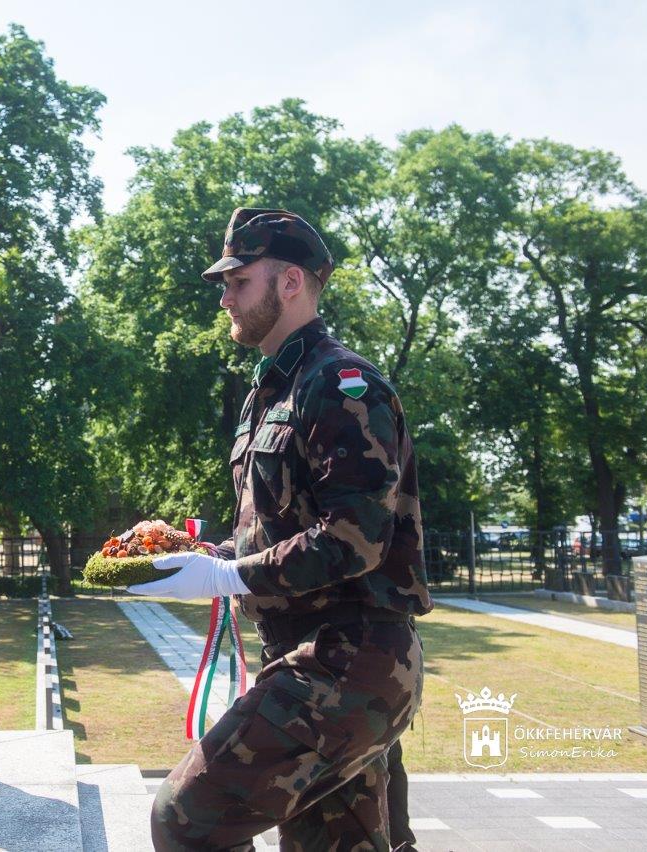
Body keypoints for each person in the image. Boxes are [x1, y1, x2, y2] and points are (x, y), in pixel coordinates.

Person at [132, 208, 433, 851]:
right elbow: (277, 530)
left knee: (186, 819)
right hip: (308, 660)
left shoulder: (343, 384)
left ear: (290, 282)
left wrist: (230, 575)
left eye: (238, 280)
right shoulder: (272, 392)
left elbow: (355, 537)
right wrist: (200, 557)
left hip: (349, 661)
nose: (224, 296)